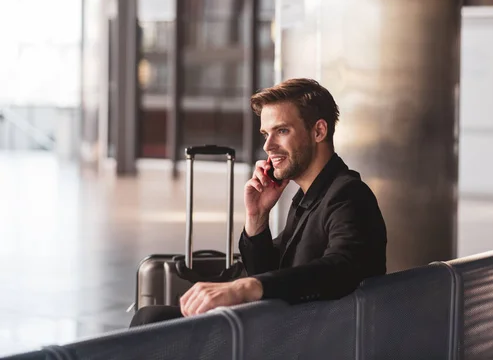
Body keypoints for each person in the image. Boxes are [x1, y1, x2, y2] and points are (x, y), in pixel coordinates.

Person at [130, 78, 387, 326]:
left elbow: (343, 267)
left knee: (151, 320)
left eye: (282, 131)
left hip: (306, 337)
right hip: (286, 327)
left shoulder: (349, 195)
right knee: (151, 316)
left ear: (319, 131)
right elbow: (267, 272)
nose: (268, 145)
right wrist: (257, 217)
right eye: (266, 133)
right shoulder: (308, 196)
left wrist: (246, 287)